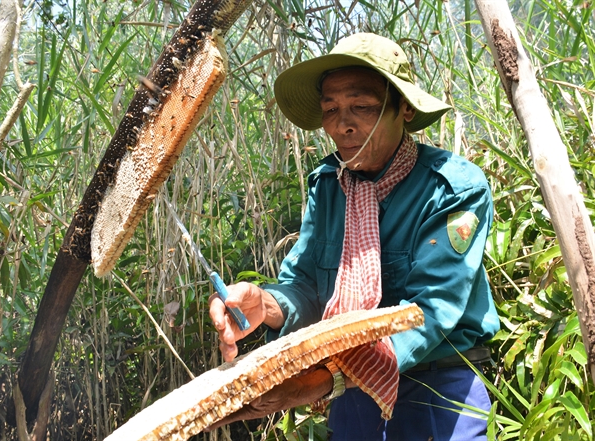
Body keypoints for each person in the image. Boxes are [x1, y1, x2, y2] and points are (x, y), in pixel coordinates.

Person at [208, 33, 500, 440]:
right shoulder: (330, 186)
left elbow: (430, 311)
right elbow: (308, 286)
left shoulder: (452, 188)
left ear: (406, 109)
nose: (343, 124)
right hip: (352, 400)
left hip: (437, 391)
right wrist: (265, 305)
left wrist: (323, 382)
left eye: (361, 107)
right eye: (331, 109)